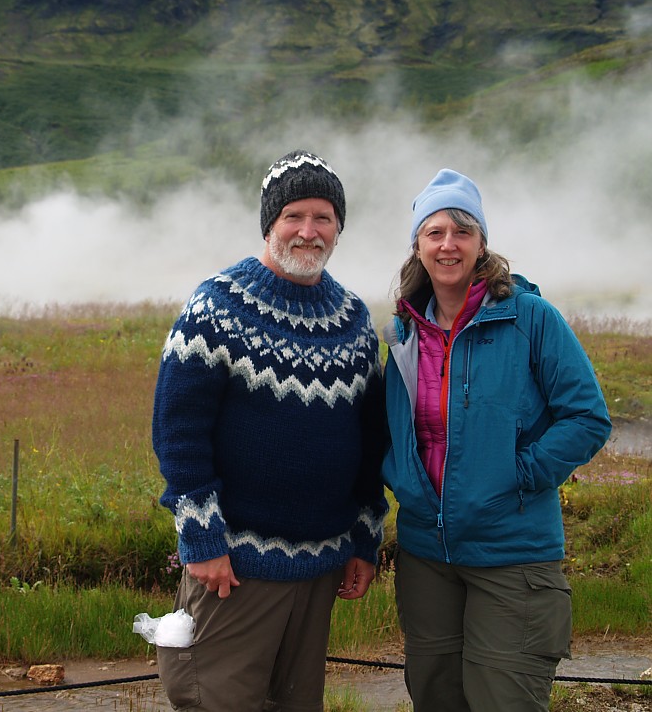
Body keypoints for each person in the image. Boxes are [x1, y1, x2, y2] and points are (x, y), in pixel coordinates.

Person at [151, 150, 388, 711]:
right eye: (294, 216)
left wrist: (365, 539)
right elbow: (179, 433)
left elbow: (370, 443)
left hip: (322, 567)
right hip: (234, 566)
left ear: (338, 229)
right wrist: (202, 538)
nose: (309, 231)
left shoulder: (354, 321)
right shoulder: (216, 308)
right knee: (216, 700)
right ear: (269, 224)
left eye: (323, 217)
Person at [381, 168, 613, 712]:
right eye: (435, 232)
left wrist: (517, 475)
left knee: (504, 700)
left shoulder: (531, 318)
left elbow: (587, 417)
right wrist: (400, 485)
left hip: (512, 554)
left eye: (462, 231)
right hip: (426, 555)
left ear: (481, 243)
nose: (448, 244)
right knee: (435, 697)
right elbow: (386, 432)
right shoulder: (402, 332)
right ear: (417, 245)